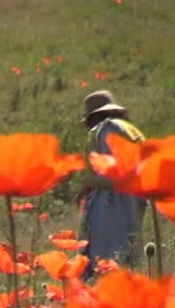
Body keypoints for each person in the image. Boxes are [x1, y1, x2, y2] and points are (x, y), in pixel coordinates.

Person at [76, 90, 147, 279]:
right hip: (132, 197)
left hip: (112, 202)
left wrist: (88, 184)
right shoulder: (128, 128)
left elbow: (116, 175)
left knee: (108, 255)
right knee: (125, 253)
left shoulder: (109, 129)